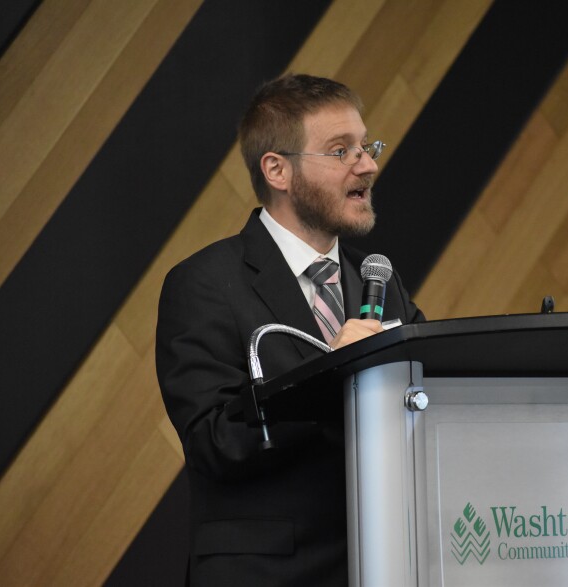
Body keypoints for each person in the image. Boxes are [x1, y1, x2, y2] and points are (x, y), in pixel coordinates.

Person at [155, 73, 425, 586]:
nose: (367, 164)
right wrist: (331, 374)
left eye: (366, 146)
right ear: (277, 169)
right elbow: (215, 441)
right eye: (340, 151)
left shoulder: (380, 281)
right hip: (267, 572)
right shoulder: (204, 284)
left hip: (382, 562)